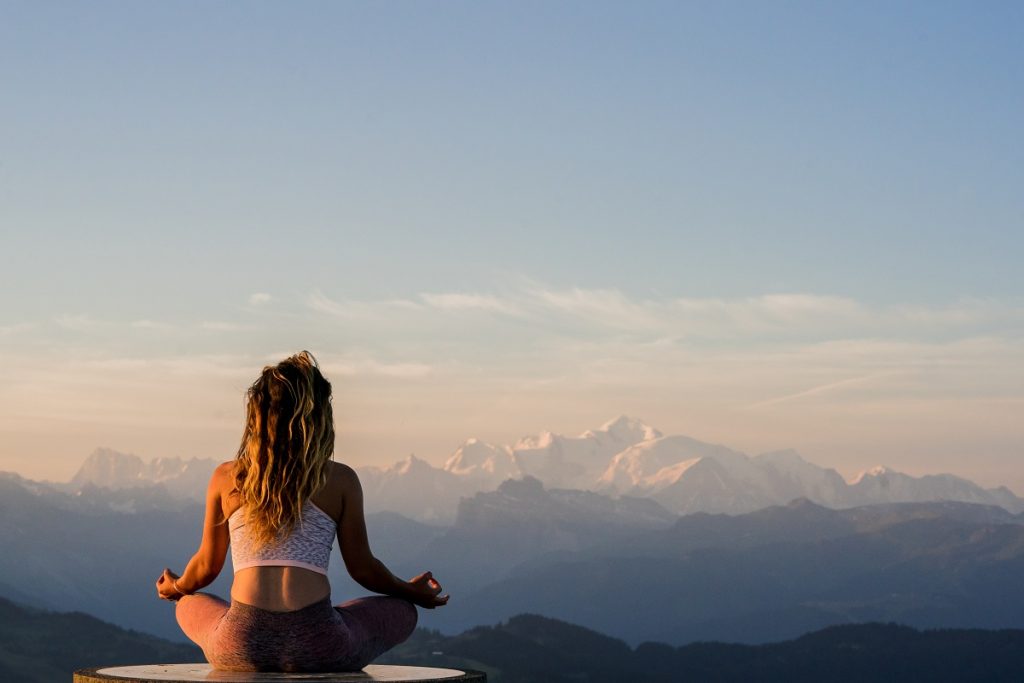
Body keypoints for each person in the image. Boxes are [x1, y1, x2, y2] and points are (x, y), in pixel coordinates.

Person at [155, 351, 448, 672]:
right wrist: (411, 591)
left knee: (189, 603)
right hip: (321, 643)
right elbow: (363, 570)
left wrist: (177, 587)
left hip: (240, 643)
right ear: (320, 417)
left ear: (256, 415)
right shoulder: (340, 479)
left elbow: (207, 568)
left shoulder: (227, 477)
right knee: (403, 610)